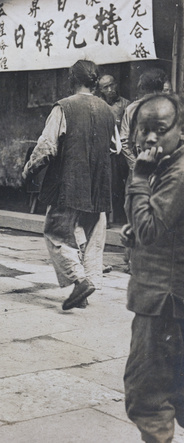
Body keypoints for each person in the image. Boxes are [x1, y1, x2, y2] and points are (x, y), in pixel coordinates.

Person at [22, 60, 117, 310]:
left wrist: (29, 170)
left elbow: (46, 147)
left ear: (71, 79)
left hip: (70, 182)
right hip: (98, 184)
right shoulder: (108, 110)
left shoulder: (64, 107)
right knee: (90, 236)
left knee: (56, 231)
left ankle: (79, 280)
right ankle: (85, 289)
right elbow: (115, 147)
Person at [121, 93, 184, 443]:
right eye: (143, 130)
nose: (150, 138)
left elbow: (149, 230)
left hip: (163, 300)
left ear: (180, 130)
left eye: (160, 129)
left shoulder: (174, 172)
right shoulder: (169, 165)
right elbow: (155, 228)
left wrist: (140, 177)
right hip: (171, 296)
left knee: (149, 397)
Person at [98, 74, 131, 225]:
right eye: (106, 87)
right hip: (100, 152)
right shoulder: (97, 104)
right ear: (100, 90)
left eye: (112, 85)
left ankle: (115, 217)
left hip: (119, 154)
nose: (110, 90)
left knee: (115, 182)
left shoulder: (126, 105)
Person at [120, 68, 168, 168]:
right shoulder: (170, 108)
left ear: (143, 87)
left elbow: (124, 141)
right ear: (162, 86)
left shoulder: (131, 109)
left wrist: (134, 165)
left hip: (139, 164)